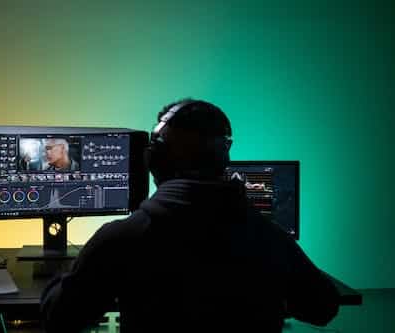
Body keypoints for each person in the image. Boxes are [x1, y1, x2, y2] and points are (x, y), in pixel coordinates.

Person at [40, 99, 340, 332]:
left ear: (155, 160)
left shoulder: (122, 238)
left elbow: (60, 319)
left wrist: (65, 277)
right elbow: (323, 308)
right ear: (222, 160)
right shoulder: (268, 236)